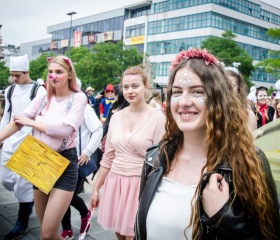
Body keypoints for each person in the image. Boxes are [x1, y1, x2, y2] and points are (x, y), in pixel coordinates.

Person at [135, 48, 280, 240]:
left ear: (217, 98)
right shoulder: (155, 158)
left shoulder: (249, 162)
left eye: (197, 92)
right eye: (177, 92)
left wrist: (225, 217)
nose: (184, 102)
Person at [0, 55, 87, 239]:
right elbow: (19, 120)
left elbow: (64, 130)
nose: (53, 76)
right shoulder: (43, 95)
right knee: (45, 233)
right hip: (39, 158)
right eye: (50, 72)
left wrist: (32, 123)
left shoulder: (78, 98)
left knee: (48, 234)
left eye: (59, 72)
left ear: (70, 74)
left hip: (64, 162)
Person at [90, 66, 166, 240]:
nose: (130, 91)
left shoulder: (158, 118)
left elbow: (160, 161)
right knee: (119, 232)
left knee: (133, 234)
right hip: (115, 181)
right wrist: (96, 189)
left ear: (146, 86)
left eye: (135, 86)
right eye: (126, 87)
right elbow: (108, 157)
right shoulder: (116, 117)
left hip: (140, 184)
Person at [0, 54, 46, 240]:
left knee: (24, 184)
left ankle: (22, 221)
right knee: (6, 179)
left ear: (27, 72)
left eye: (18, 75)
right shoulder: (10, 90)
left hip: (29, 141)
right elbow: (7, 115)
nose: (15, 79)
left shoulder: (38, 90)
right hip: (11, 139)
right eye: (12, 75)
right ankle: (27, 205)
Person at [61, 90, 103, 239]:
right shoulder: (57, 105)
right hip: (58, 159)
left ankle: (85, 215)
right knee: (59, 196)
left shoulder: (84, 107)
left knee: (67, 196)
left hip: (77, 159)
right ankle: (67, 229)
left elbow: (98, 129)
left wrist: (87, 151)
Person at [224, 66, 257, 131]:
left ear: (238, 88)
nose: (228, 89)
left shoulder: (248, 115)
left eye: (232, 86)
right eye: (225, 85)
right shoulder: (210, 111)